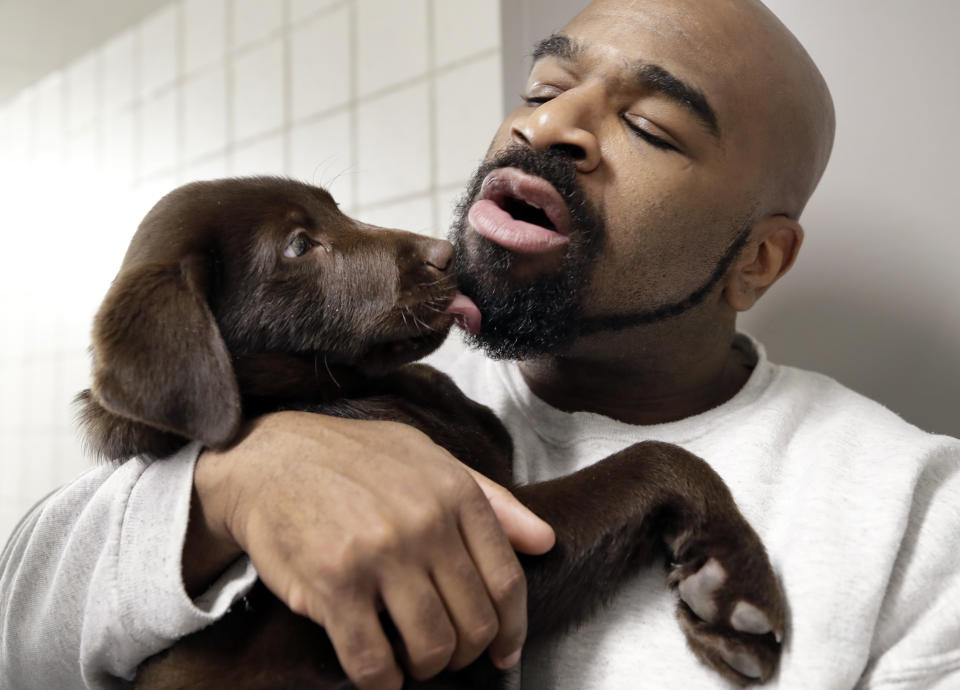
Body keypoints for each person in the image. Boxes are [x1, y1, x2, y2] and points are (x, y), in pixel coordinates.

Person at [2, 0, 959, 688]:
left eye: (647, 125)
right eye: (544, 85)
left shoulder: (917, 511)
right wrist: (230, 485)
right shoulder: (378, 367)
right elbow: (18, 631)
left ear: (756, 261)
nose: (551, 126)